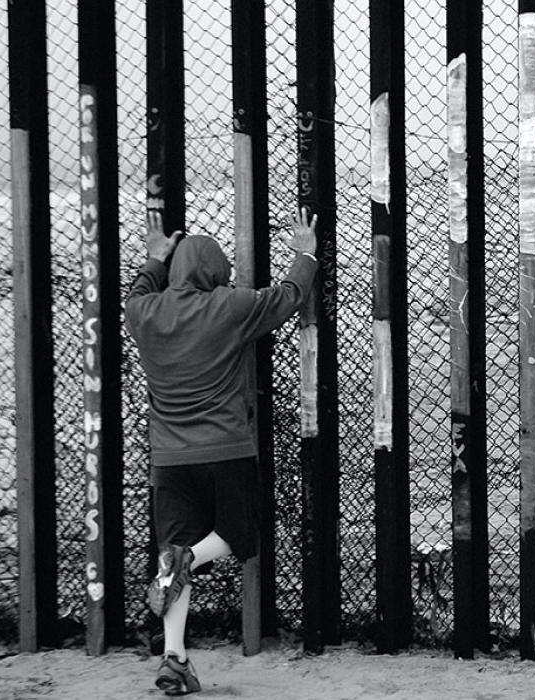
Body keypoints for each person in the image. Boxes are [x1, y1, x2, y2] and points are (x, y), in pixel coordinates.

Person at [124, 206, 318, 695]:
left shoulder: (142, 314)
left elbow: (140, 290)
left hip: (169, 458)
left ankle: (175, 658)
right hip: (226, 447)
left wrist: (155, 259)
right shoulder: (227, 307)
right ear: (214, 273)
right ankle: (189, 557)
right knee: (236, 533)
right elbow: (288, 297)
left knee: (172, 554)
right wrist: (305, 253)